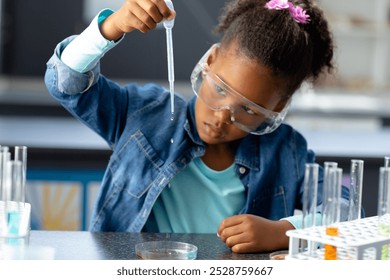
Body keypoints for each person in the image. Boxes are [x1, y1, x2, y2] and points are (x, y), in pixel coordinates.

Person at [44, 0, 350, 253]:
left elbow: (347, 214)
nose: (221, 118)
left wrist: (284, 232)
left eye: (247, 109)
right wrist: (110, 27)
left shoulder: (287, 152)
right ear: (211, 61)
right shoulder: (144, 115)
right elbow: (65, 82)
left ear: (277, 109)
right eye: (219, 89)